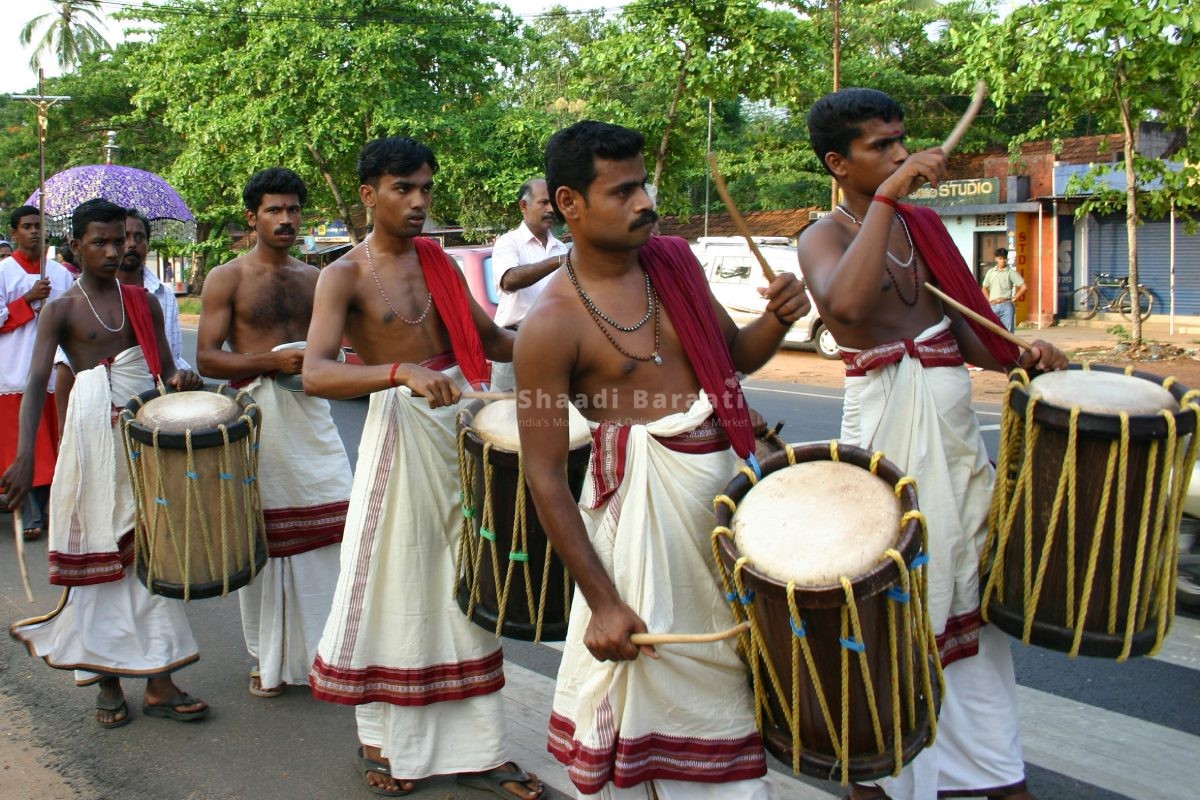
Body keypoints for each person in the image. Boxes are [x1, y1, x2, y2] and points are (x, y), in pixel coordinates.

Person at [516, 121, 808, 799]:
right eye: (623, 191)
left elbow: (731, 359)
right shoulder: (549, 325)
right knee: (659, 716)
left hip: (725, 516)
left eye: (643, 184)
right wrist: (604, 603)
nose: (645, 200)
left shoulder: (675, 265)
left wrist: (781, 320)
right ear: (569, 203)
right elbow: (544, 475)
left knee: (731, 692)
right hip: (639, 542)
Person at [796, 88, 1068, 800]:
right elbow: (850, 312)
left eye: (900, 140)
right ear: (837, 162)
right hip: (885, 445)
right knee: (894, 604)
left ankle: (990, 769)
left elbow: (974, 335)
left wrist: (1023, 354)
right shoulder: (822, 235)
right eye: (879, 146)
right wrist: (888, 197)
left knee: (964, 599)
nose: (899, 153)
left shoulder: (926, 229)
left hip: (951, 450)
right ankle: (881, 772)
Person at [304, 136, 541, 799]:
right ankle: (383, 740)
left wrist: (569, 345)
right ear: (368, 194)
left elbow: (493, 340)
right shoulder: (342, 274)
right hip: (398, 432)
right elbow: (317, 371)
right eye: (403, 188)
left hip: (461, 430)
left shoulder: (439, 262)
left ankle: (481, 749)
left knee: (468, 581)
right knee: (396, 582)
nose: (418, 200)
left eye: (425, 188)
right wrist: (397, 371)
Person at [3, 198, 208, 729]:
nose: (117, 250)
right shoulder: (62, 309)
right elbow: (33, 385)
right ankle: (108, 682)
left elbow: (164, 373)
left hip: (142, 448)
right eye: (102, 242)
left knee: (154, 557)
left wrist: (183, 384)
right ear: (76, 248)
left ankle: (160, 682)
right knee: (101, 561)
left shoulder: (144, 301)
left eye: (123, 240)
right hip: (92, 446)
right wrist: (26, 456)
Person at [196, 167, 352, 699]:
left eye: (293, 209)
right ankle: (268, 658)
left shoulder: (316, 278)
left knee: (331, 529)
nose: (286, 219)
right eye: (274, 210)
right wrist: (272, 360)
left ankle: (325, 654)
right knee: (263, 537)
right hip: (256, 416)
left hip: (313, 418)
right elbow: (208, 358)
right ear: (252, 217)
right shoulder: (227, 277)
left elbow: (335, 350)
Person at [52, 208, 193, 431]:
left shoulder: (160, 297)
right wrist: (63, 431)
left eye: (139, 237)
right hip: (96, 418)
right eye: (124, 237)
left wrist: (181, 378)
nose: (130, 244)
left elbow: (170, 363)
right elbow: (65, 369)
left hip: (150, 414)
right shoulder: (75, 303)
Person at [0, 206, 73, 541]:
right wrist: (28, 300)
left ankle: (46, 509)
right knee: (23, 445)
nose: (33, 231)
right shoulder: (4, 271)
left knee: (52, 443)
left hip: (53, 368)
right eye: (26, 226)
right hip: (14, 370)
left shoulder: (59, 275)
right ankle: (29, 510)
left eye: (38, 226)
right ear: (14, 233)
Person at [488, 176, 570, 391]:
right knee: (503, 415)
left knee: (550, 411)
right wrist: (557, 262)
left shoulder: (561, 248)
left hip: (555, 343)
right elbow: (509, 280)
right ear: (524, 206)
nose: (552, 209)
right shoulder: (508, 242)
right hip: (514, 342)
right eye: (544, 202)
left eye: (553, 203)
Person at [981, 247, 1026, 332]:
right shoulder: (990, 272)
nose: (1003, 261)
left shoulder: (1010, 272)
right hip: (993, 305)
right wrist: (989, 301)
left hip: (1006, 305)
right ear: (996, 259)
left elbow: (1024, 287)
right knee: (991, 331)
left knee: (1008, 333)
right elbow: (984, 288)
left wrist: (1014, 298)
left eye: (1004, 258)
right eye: (1000, 258)